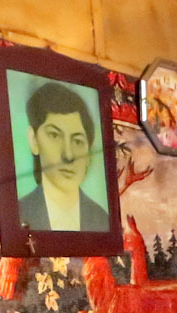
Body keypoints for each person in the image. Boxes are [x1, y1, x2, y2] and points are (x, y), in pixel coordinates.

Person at [18, 82, 109, 232]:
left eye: (78, 141)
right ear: (33, 140)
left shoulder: (103, 221)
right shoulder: (17, 214)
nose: (68, 155)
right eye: (54, 135)